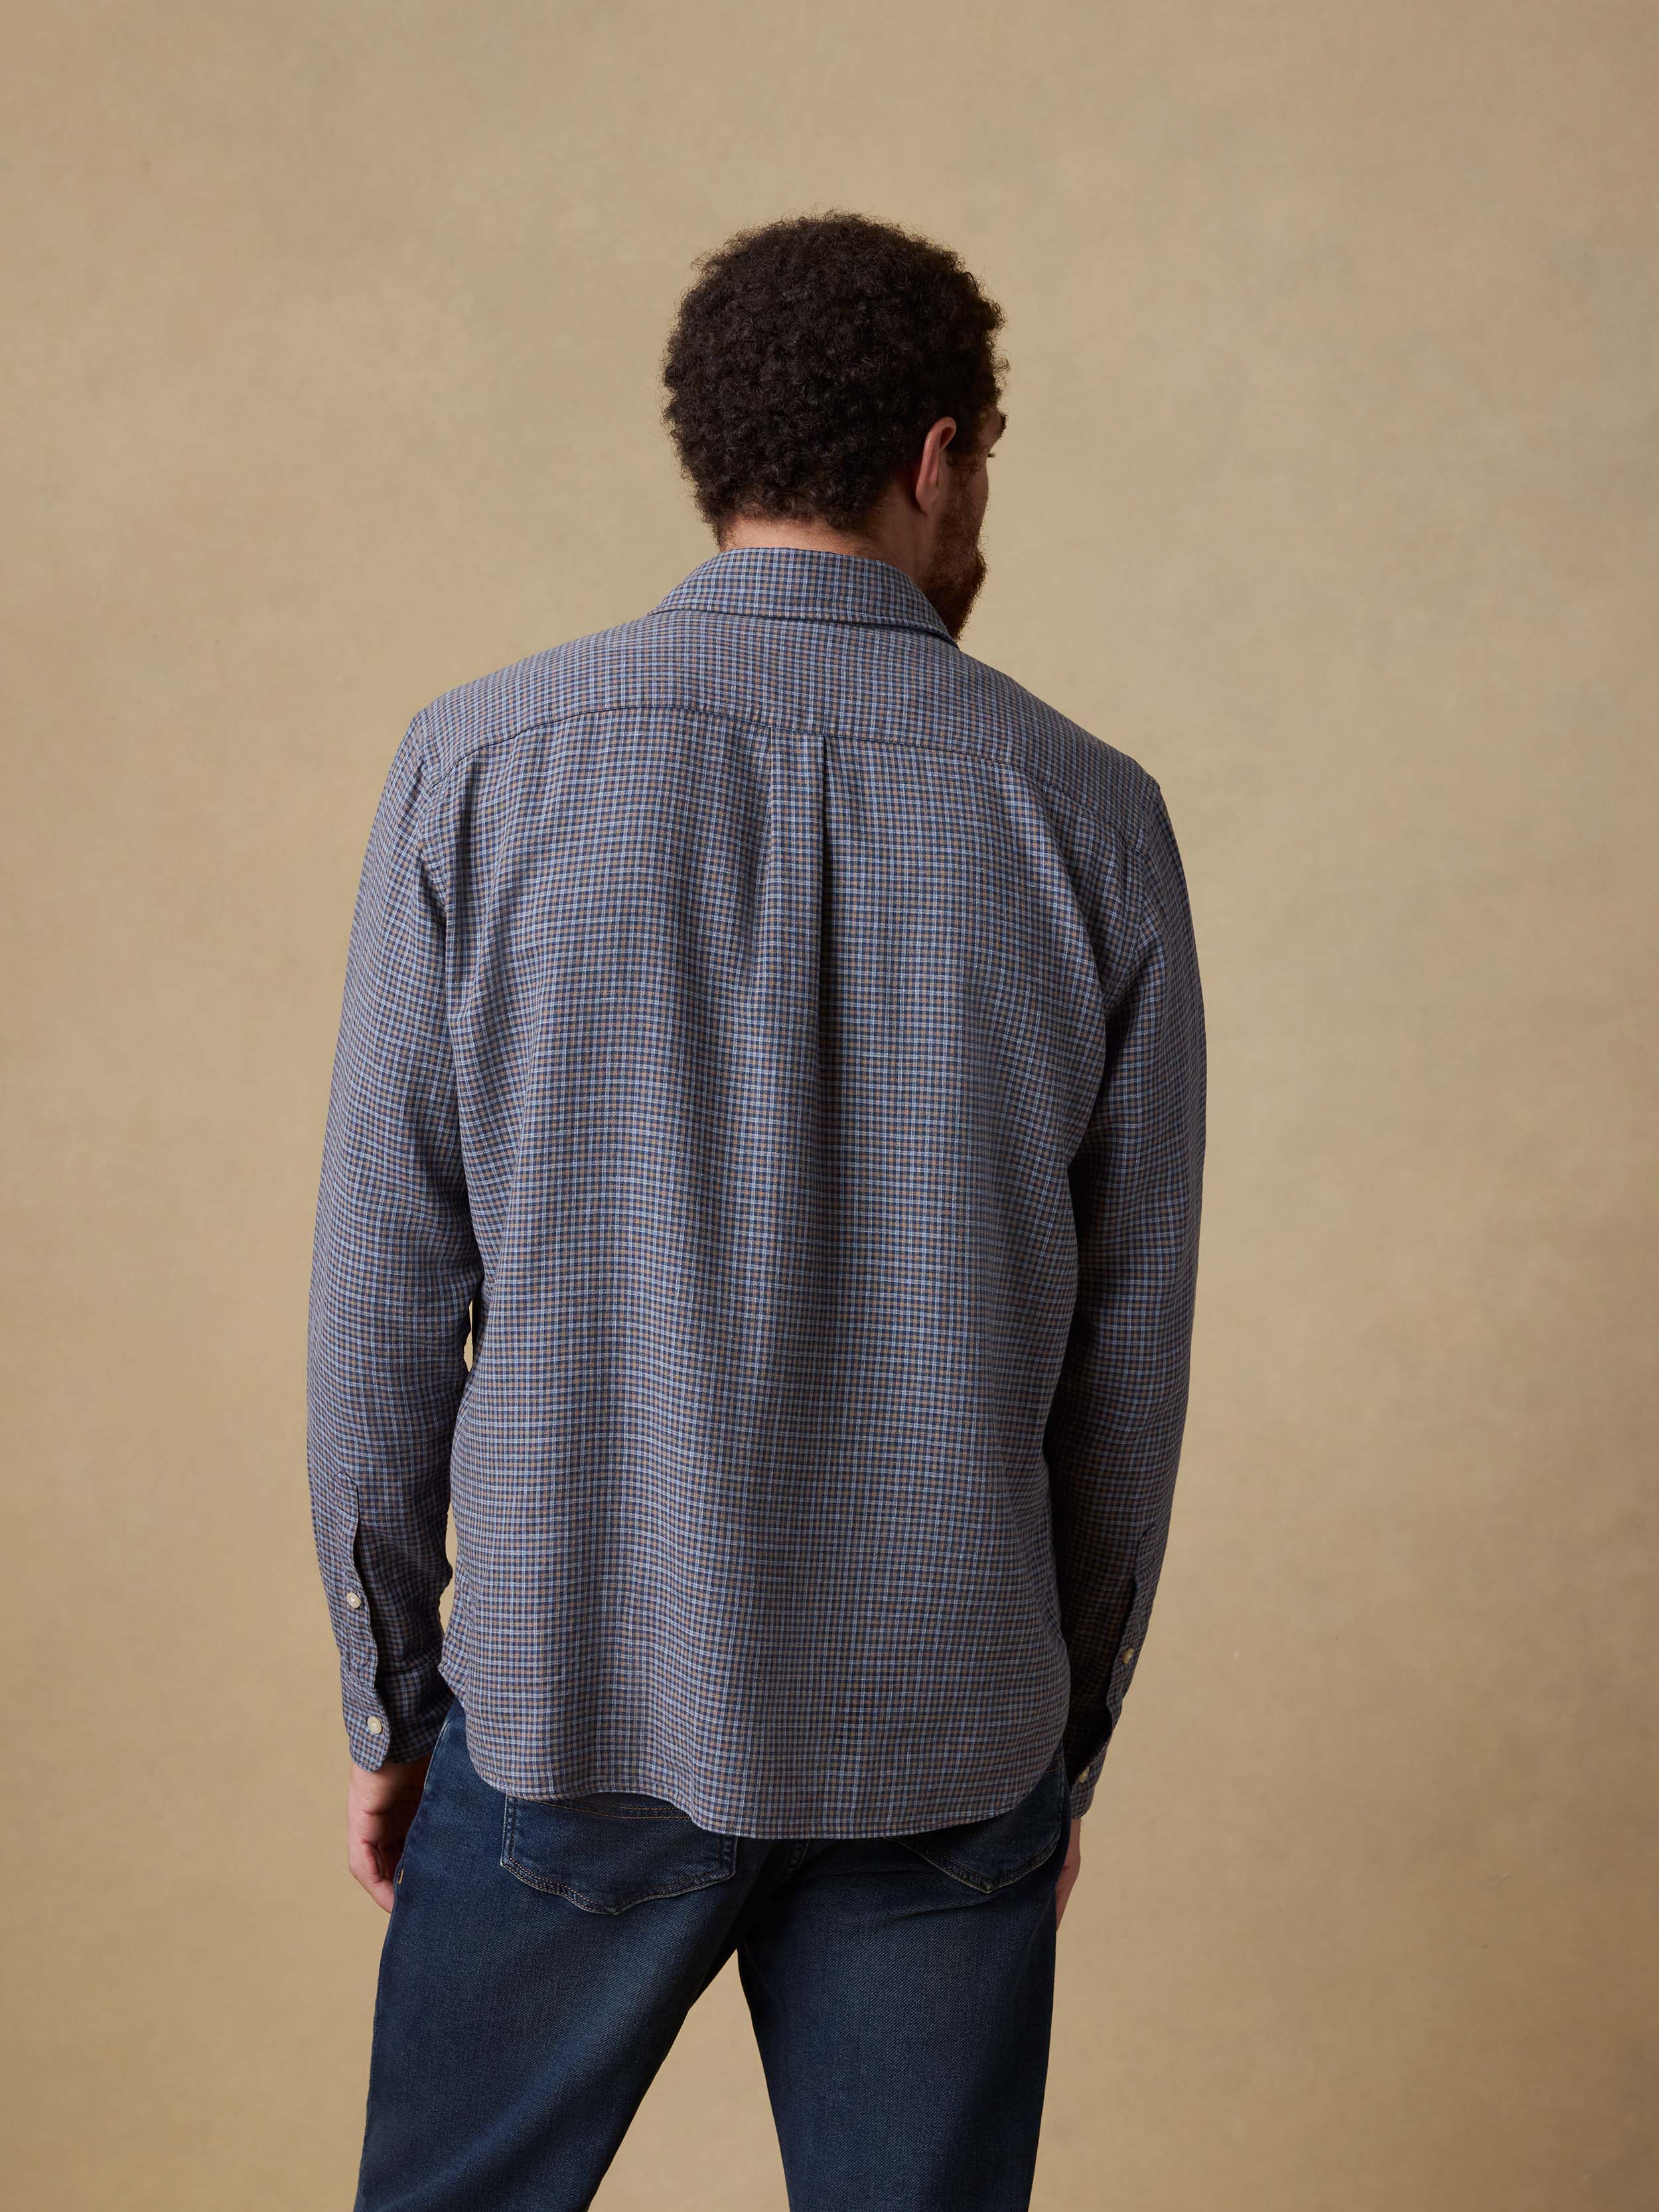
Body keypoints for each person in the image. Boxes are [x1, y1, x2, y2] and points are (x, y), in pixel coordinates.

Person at [307, 208, 1206, 2212]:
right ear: (939, 456)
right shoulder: (1089, 815)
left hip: (569, 1689)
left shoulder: (475, 769)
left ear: (711, 453)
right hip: (945, 1735)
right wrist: (1056, 1732)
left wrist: (389, 1694)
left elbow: (385, 1285)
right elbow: (1124, 1363)